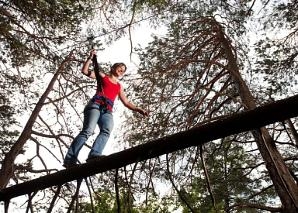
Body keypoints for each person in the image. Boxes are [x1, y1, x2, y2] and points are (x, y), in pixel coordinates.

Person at [63, 49, 148, 168]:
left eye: (123, 70)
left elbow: (126, 102)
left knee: (107, 129)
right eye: (120, 68)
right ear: (113, 68)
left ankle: (94, 154)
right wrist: (90, 58)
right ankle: (70, 160)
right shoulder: (103, 76)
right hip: (95, 105)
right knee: (88, 131)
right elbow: (85, 71)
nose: (121, 71)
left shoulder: (119, 86)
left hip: (107, 111)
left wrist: (138, 109)